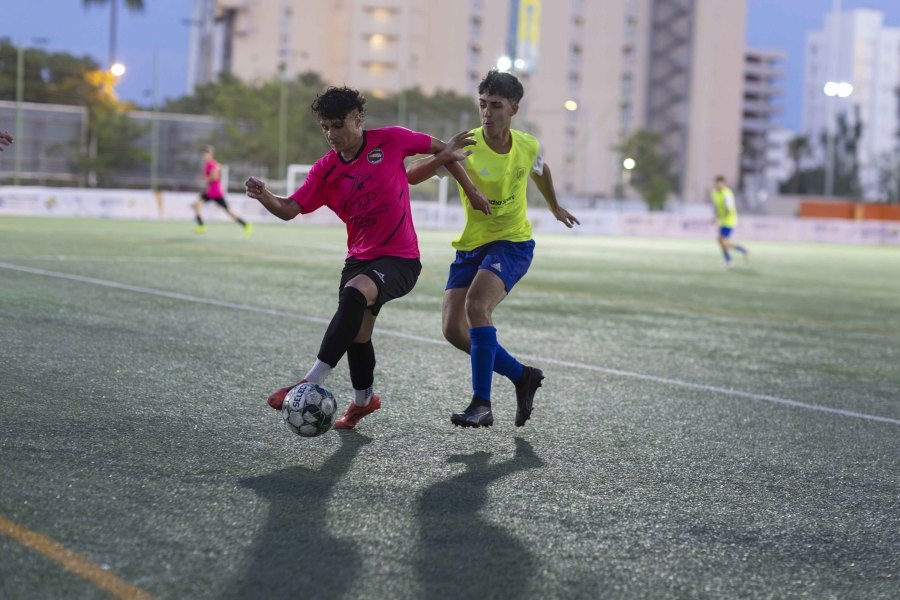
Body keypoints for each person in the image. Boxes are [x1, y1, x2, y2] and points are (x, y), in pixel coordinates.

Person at [245, 85, 487, 430]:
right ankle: (363, 402)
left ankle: (309, 381)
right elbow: (289, 209)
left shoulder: (391, 140)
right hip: (359, 259)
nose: (332, 135)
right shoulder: (325, 170)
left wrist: (471, 190)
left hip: (401, 259)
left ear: (358, 119)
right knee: (358, 334)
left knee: (355, 292)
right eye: (325, 127)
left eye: (338, 125)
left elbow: (444, 150)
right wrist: (264, 195)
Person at [406, 69, 580, 429]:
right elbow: (411, 175)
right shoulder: (466, 146)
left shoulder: (527, 144)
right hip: (472, 245)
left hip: (512, 243)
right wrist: (443, 156)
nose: (487, 112)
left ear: (513, 109)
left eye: (496, 106)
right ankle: (522, 375)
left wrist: (554, 206)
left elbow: (540, 170)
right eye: (482, 104)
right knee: (453, 330)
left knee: (476, 306)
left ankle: (481, 404)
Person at [193, 146, 252, 235]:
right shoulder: (208, 164)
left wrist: (203, 179)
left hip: (214, 192)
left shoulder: (212, 164)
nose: (204, 156)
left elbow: (215, 177)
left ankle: (245, 225)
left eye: (206, 154)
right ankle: (245, 225)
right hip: (211, 191)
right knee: (198, 205)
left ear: (211, 154)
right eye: (203, 154)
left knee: (227, 210)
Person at [711, 175, 749, 267]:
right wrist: (716, 217)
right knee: (722, 241)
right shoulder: (714, 193)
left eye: (720, 183)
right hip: (722, 220)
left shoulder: (727, 193)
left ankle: (741, 251)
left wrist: (718, 218)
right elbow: (717, 207)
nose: (718, 185)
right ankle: (730, 259)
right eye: (717, 183)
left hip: (730, 220)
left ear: (723, 184)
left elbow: (728, 210)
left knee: (722, 241)